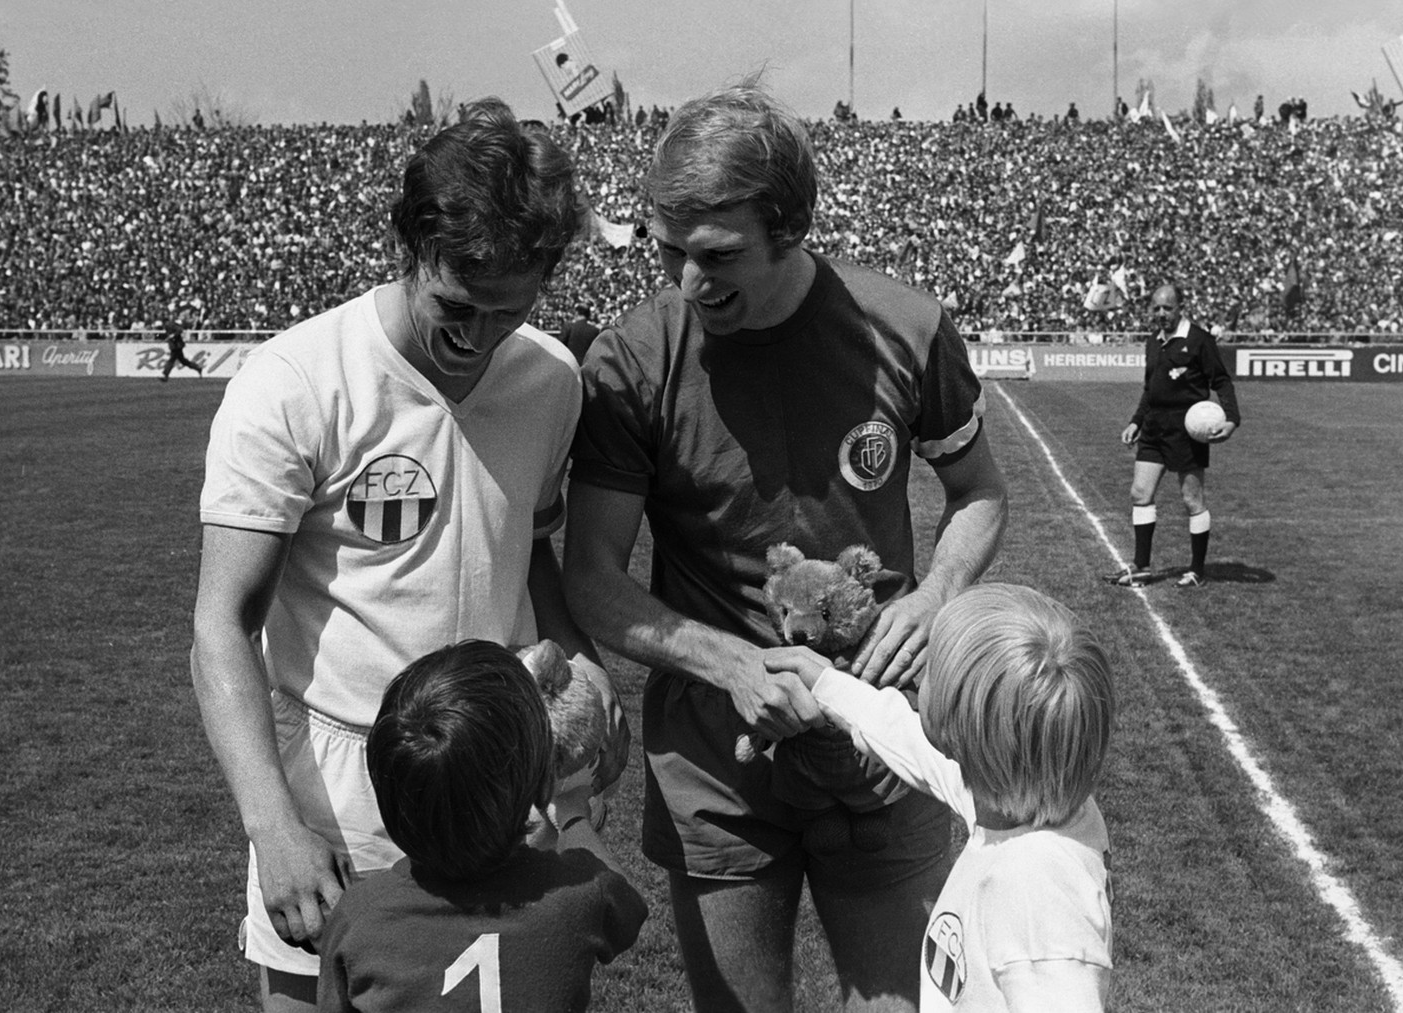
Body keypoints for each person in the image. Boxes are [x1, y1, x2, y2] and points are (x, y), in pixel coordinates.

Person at [564, 82, 1009, 1013]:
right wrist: (731, 663)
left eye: (718, 254)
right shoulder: (633, 359)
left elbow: (979, 497)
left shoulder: (906, 329)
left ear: (791, 224)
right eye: (669, 250)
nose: (690, 281)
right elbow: (592, 578)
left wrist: (933, 601)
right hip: (718, 753)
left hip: (887, 742)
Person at [191, 97, 627, 1013]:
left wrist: (581, 661)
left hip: (508, 787)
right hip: (341, 796)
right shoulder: (296, 382)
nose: (477, 340)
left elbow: (530, 546)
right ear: (408, 249)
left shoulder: (548, 380)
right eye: (457, 308)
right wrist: (273, 824)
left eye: (507, 313)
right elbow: (221, 626)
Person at [766, 582, 1114, 1012]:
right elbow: (904, 737)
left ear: (956, 726)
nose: (919, 670)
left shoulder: (1038, 884)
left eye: (933, 668)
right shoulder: (1010, 799)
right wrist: (825, 684)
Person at [316, 641, 648, 1013]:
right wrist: (572, 812)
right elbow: (628, 907)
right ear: (540, 786)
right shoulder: (580, 893)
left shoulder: (359, 915)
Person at [1105, 283, 1239, 589]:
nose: (1161, 314)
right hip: (1153, 428)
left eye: (1168, 308)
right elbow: (1150, 388)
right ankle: (1141, 566)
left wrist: (1231, 420)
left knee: (1192, 499)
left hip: (1187, 431)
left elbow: (1221, 381)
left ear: (1181, 307)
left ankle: (1196, 570)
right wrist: (1136, 421)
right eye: (1156, 308)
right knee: (1140, 493)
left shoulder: (1199, 340)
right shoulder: (1153, 341)